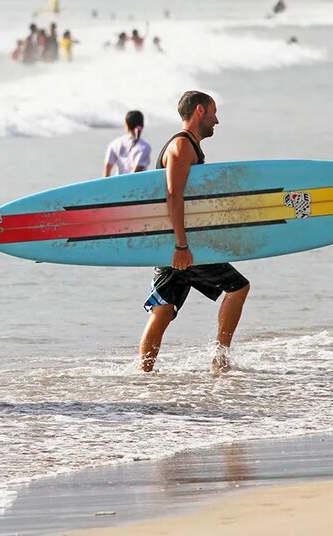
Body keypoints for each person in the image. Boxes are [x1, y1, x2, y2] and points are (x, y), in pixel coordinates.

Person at [139, 91, 250, 374]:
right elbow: (173, 194)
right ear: (199, 111)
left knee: (163, 310)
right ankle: (220, 358)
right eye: (214, 112)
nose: (217, 120)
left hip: (173, 243)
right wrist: (181, 245)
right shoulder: (182, 146)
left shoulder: (189, 146)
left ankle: (143, 374)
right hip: (182, 245)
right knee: (238, 288)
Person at [103, 110, 152, 176]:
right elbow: (136, 173)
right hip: (137, 185)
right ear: (142, 126)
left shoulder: (114, 143)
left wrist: (107, 185)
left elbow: (107, 169)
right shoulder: (145, 147)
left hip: (117, 183)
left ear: (126, 125)